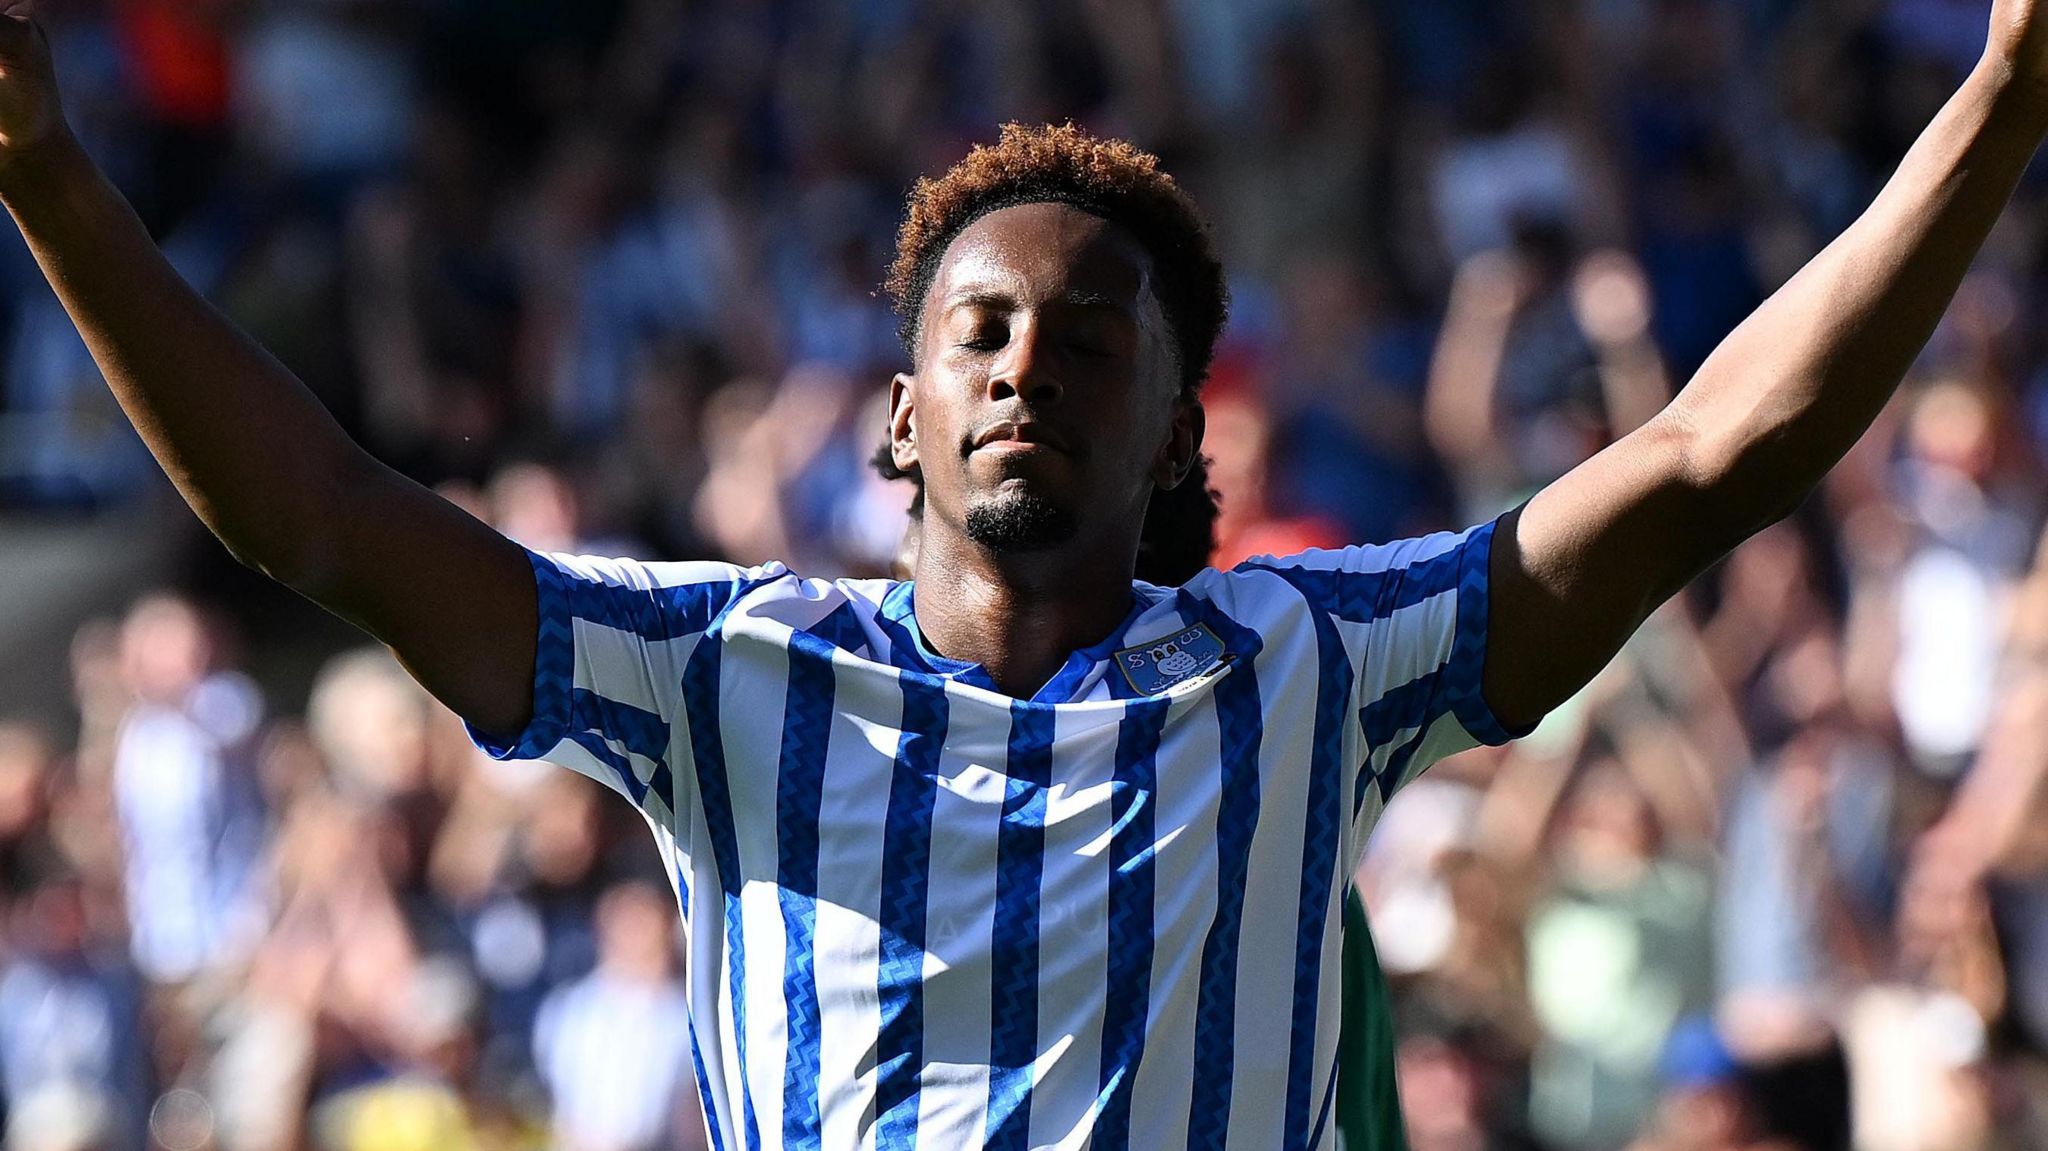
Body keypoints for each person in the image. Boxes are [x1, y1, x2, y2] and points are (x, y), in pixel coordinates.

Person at [2, 0, 2046, 1144]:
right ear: (895, 414)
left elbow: (1706, 456)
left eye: (1088, 343)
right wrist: (51, 181)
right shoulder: (724, 676)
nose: (1019, 368)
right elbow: (327, 522)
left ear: (1179, 429)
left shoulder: (1310, 661)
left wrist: (2001, 91)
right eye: (974, 332)